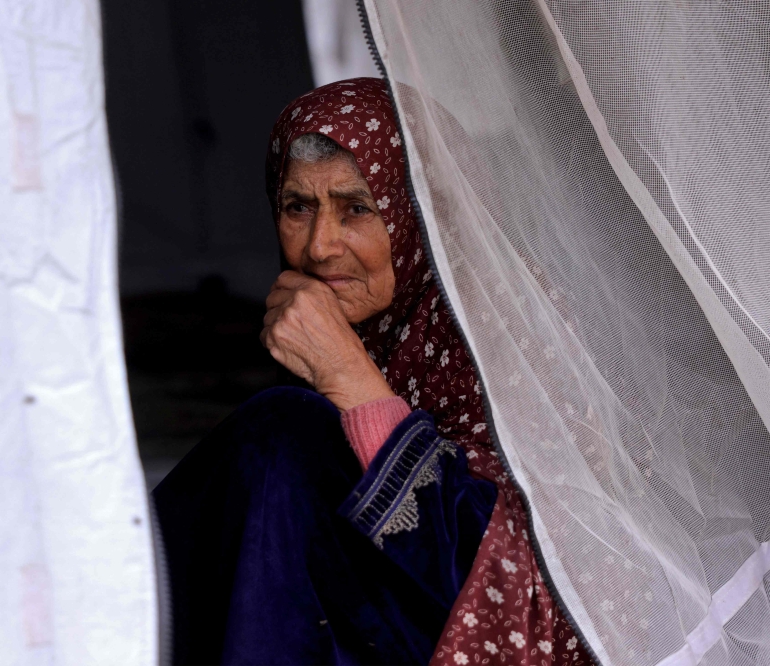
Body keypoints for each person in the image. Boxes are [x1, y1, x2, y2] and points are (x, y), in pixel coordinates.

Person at [154, 78, 589, 665]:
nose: (319, 247)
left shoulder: (512, 332)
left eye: (357, 208)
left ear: (424, 210)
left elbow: (516, 588)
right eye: (297, 207)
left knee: (283, 429)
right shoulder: (354, 328)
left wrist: (353, 383)